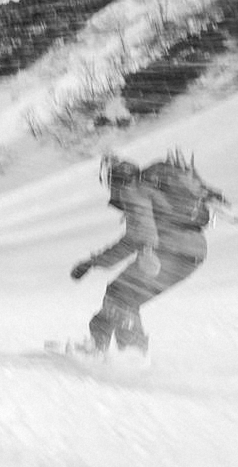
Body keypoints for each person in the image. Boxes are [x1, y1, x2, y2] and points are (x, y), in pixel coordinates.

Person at [69, 151, 226, 356]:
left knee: (121, 297)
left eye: (109, 182)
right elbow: (133, 240)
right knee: (120, 295)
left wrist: (146, 252)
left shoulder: (132, 190)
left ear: (116, 181)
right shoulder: (152, 191)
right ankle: (99, 344)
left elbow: (141, 234)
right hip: (192, 253)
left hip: (169, 252)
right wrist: (94, 262)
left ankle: (131, 356)